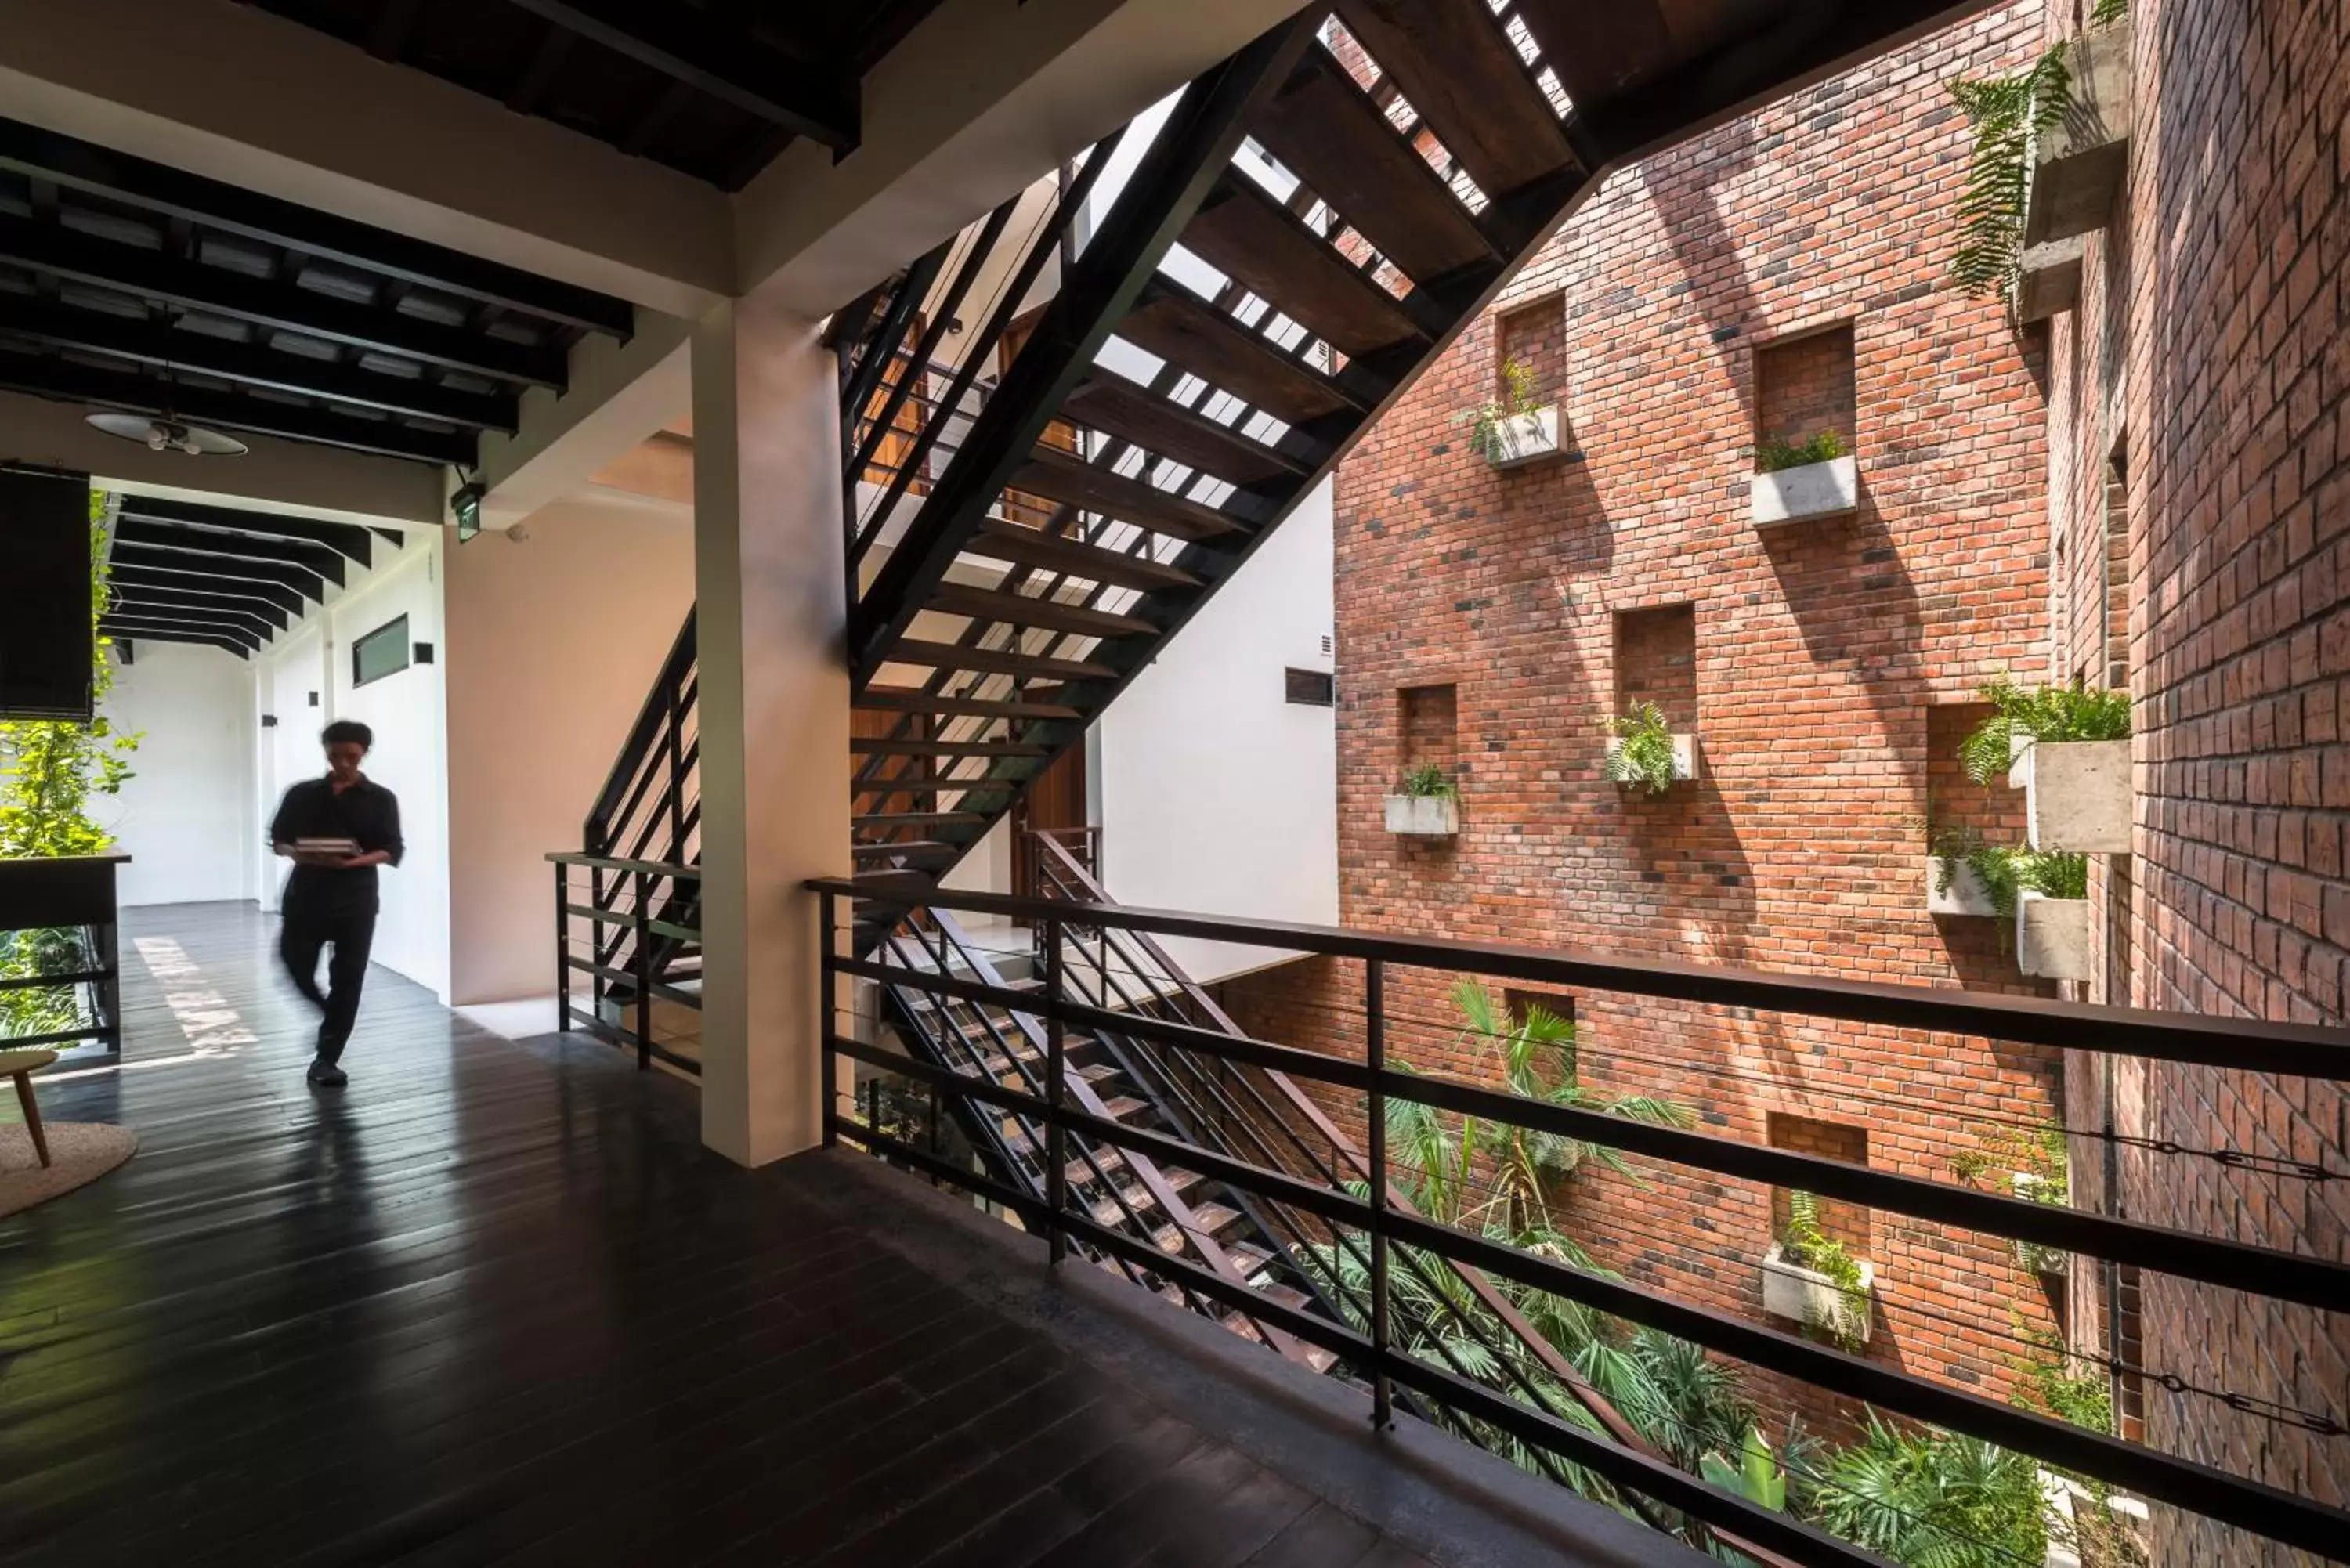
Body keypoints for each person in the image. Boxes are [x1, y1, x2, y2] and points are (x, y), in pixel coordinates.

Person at [270, 720, 402, 1087]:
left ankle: (326, 1059)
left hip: (355, 901)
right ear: (325, 750)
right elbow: (279, 839)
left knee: (348, 980)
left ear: (364, 754)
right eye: (335, 755)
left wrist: (351, 861)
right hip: (305, 895)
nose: (343, 763)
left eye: (352, 756)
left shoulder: (382, 799)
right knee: (293, 964)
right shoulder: (301, 794)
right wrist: (299, 854)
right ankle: (328, 1013)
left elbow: (391, 849)